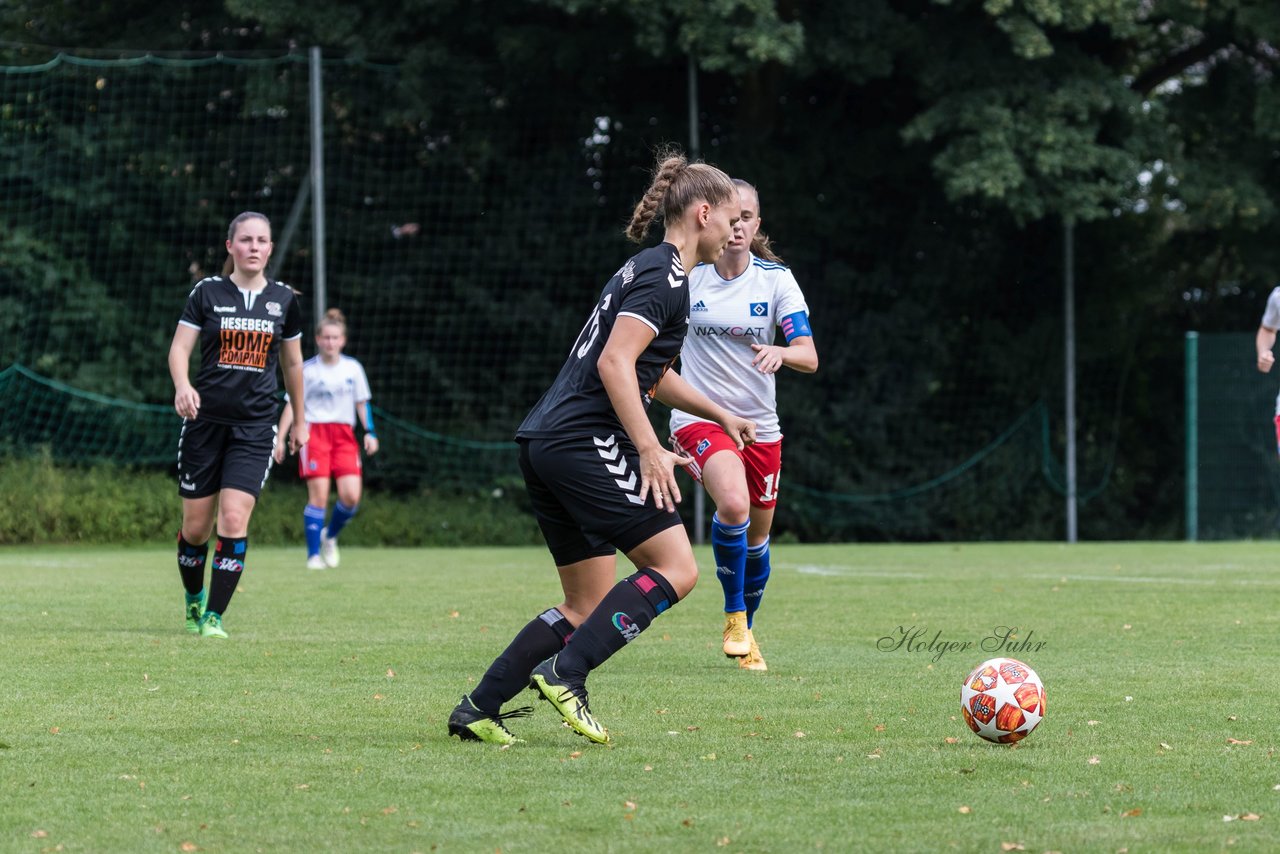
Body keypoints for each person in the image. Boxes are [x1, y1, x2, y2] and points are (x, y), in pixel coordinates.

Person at [447, 149, 754, 746]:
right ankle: (568, 674)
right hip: (583, 440)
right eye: (732, 217)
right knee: (677, 568)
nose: (738, 230)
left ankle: (477, 709)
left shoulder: (652, 271)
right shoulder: (666, 278)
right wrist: (647, 447)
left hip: (547, 441)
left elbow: (650, 374)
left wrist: (720, 412)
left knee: (584, 604)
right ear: (702, 213)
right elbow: (615, 362)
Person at [669, 180, 818, 672]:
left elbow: (809, 356)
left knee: (757, 542)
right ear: (714, 219)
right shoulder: (690, 278)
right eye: (732, 218)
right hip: (699, 421)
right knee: (733, 503)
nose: (738, 227)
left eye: (747, 218)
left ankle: (746, 628)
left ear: (757, 225)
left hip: (761, 429)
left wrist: (782, 350)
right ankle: (734, 617)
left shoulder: (776, 281)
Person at [168, 211, 308, 639]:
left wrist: (300, 420)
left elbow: (293, 363)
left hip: (255, 428)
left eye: (261, 240)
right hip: (204, 423)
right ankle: (194, 600)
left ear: (269, 249)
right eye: (245, 240)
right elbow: (179, 349)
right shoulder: (207, 292)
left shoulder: (284, 300)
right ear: (230, 246)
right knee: (196, 528)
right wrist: (182, 386)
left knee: (233, 517)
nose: (253, 247)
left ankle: (214, 616)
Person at [275, 308, 379, 569]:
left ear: (342, 341)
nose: (330, 342)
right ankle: (312, 556)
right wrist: (280, 438)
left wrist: (370, 432)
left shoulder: (353, 369)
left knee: (351, 496)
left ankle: (329, 537)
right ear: (318, 339)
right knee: (319, 496)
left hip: (343, 436)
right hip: (314, 434)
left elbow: (362, 403)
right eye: (326, 338)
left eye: (335, 338)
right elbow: (291, 404)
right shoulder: (307, 370)